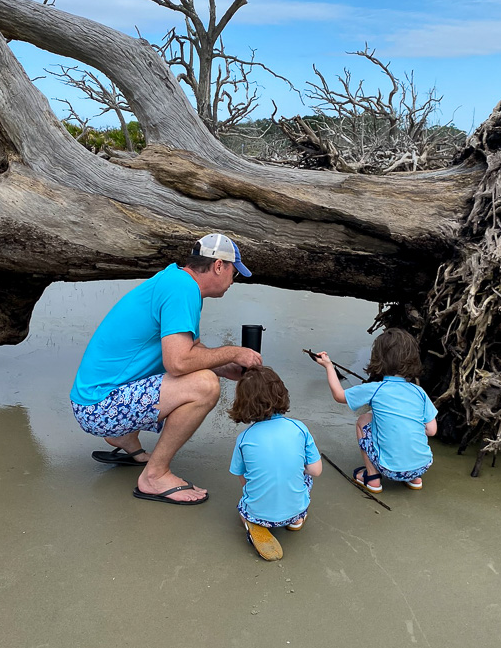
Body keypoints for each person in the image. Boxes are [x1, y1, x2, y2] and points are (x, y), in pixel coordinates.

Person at [70, 233, 262, 506]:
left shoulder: (176, 280)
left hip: (93, 399)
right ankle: (155, 476)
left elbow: (189, 348)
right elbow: (179, 362)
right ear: (219, 266)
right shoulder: (182, 289)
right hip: (99, 407)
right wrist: (234, 351)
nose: (233, 280)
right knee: (205, 385)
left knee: (206, 373)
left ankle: (124, 438)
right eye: (234, 272)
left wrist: (226, 366)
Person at [315, 328, 437, 493]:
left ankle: (372, 477)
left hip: (389, 468)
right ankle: (413, 479)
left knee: (363, 420)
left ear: (378, 358)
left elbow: (339, 395)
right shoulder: (418, 392)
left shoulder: (376, 389)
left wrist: (329, 366)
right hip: (422, 466)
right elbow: (431, 430)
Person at [228, 367, 322, 561]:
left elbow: (241, 476)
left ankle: (251, 521)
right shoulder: (299, 428)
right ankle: (295, 520)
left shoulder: (244, 438)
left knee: (244, 504)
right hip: (297, 508)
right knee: (304, 475)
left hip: (259, 511)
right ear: (282, 393)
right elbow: (316, 470)